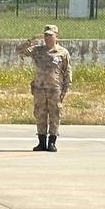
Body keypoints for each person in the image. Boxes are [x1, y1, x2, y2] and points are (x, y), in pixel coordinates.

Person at [17, 24, 71, 152]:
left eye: (50, 35)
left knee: (55, 115)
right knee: (40, 114)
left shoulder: (62, 52)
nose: (47, 38)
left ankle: (52, 142)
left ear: (56, 36)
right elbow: (19, 51)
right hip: (39, 88)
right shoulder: (37, 50)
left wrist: (66, 89)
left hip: (55, 89)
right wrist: (30, 41)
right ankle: (41, 142)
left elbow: (67, 71)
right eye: (45, 35)